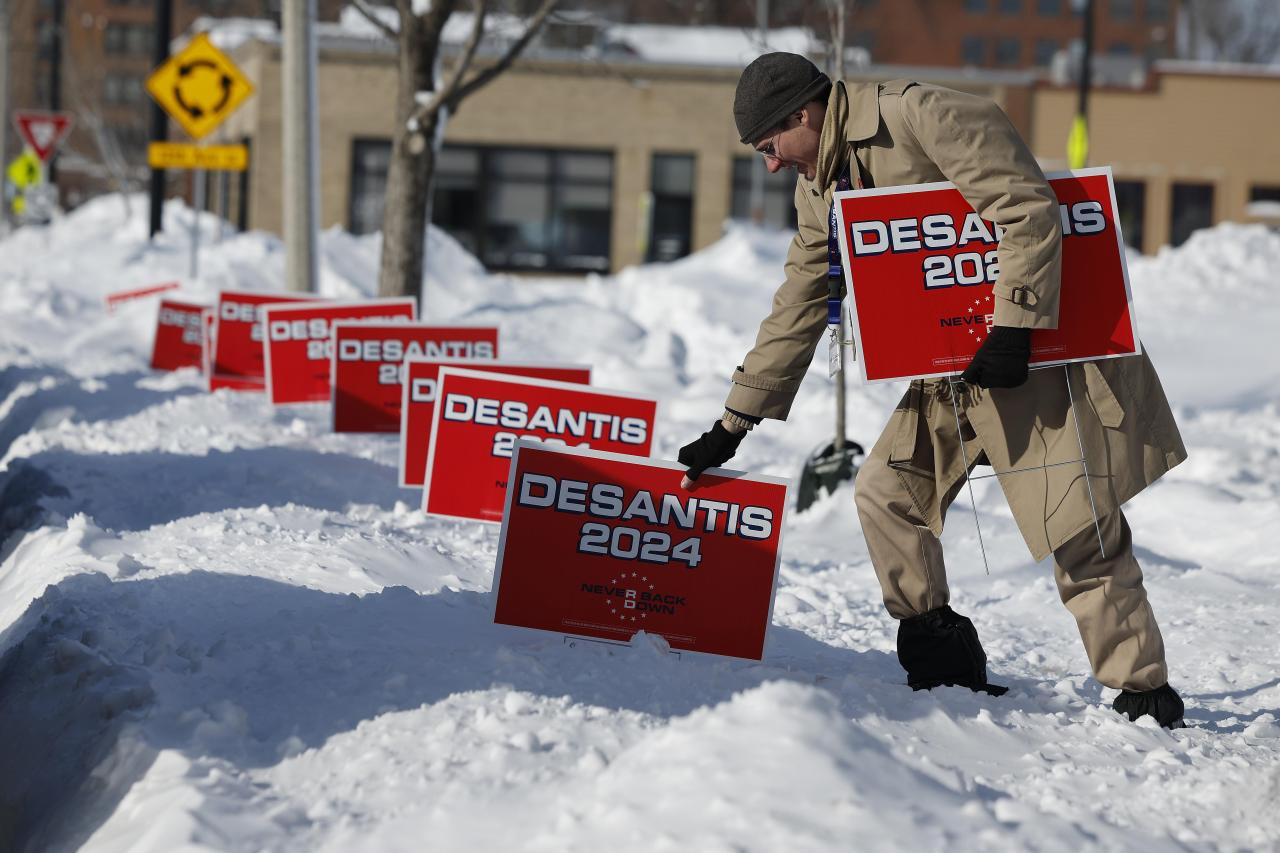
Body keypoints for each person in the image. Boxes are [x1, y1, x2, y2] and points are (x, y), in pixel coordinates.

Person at [678, 52, 1188, 728]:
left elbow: (1025, 205)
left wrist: (1014, 325)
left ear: (803, 114)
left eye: (771, 145)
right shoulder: (821, 183)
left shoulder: (921, 115)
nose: (772, 163)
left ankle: (1144, 691)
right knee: (887, 494)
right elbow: (802, 297)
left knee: (1079, 526)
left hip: (1030, 359)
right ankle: (944, 662)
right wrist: (734, 421)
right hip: (948, 373)